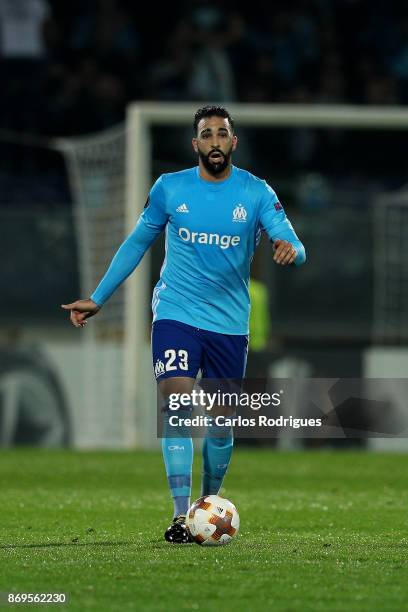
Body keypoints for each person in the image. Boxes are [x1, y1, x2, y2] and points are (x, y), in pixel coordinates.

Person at [61, 105, 306, 543]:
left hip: (230, 324)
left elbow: (293, 241)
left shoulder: (256, 192)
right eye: (206, 134)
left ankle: (206, 507)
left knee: (220, 422)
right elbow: (137, 242)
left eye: (222, 133)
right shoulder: (170, 189)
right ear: (195, 144)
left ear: (234, 142)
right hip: (176, 313)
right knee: (175, 403)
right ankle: (179, 515)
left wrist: (289, 248)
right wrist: (99, 297)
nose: (215, 141)